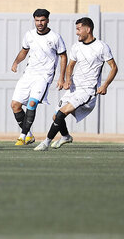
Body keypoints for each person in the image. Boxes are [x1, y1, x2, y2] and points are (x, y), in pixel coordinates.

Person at [35, 17, 117, 151]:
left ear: (88, 29)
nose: (77, 32)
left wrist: (105, 85)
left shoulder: (101, 47)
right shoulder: (76, 46)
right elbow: (70, 65)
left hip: (87, 91)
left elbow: (114, 67)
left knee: (62, 113)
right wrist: (67, 80)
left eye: (79, 29)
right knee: (56, 116)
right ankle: (66, 136)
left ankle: (46, 142)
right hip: (74, 89)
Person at [10, 9, 67, 146]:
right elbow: (24, 50)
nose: (39, 23)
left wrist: (61, 78)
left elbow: (63, 56)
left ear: (47, 20)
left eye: (42, 20)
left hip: (44, 76)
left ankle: (22, 136)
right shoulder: (29, 35)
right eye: (37, 20)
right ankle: (29, 135)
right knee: (15, 105)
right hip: (29, 74)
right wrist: (16, 62)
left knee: (32, 103)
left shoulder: (55, 37)